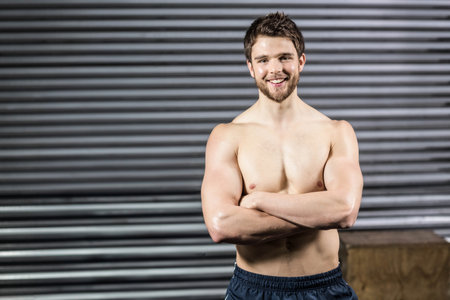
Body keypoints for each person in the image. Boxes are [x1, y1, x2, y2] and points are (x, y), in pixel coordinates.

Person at [201, 12, 363, 300]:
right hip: (253, 289)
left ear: (301, 61)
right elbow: (221, 224)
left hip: (324, 288)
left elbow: (345, 211)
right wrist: (319, 214)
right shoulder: (228, 136)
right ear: (250, 67)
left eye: (284, 57)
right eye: (263, 60)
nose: (275, 69)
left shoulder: (336, 132)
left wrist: (261, 200)